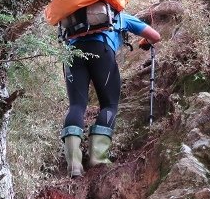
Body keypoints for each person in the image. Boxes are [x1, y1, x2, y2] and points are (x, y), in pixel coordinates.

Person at [60, 10, 161, 177]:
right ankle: (97, 159)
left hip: (72, 55)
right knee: (109, 105)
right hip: (102, 52)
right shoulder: (118, 15)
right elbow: (155, 36)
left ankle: (74, 165)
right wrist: (145, 41)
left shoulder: (73, 16)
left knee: (76, 106)